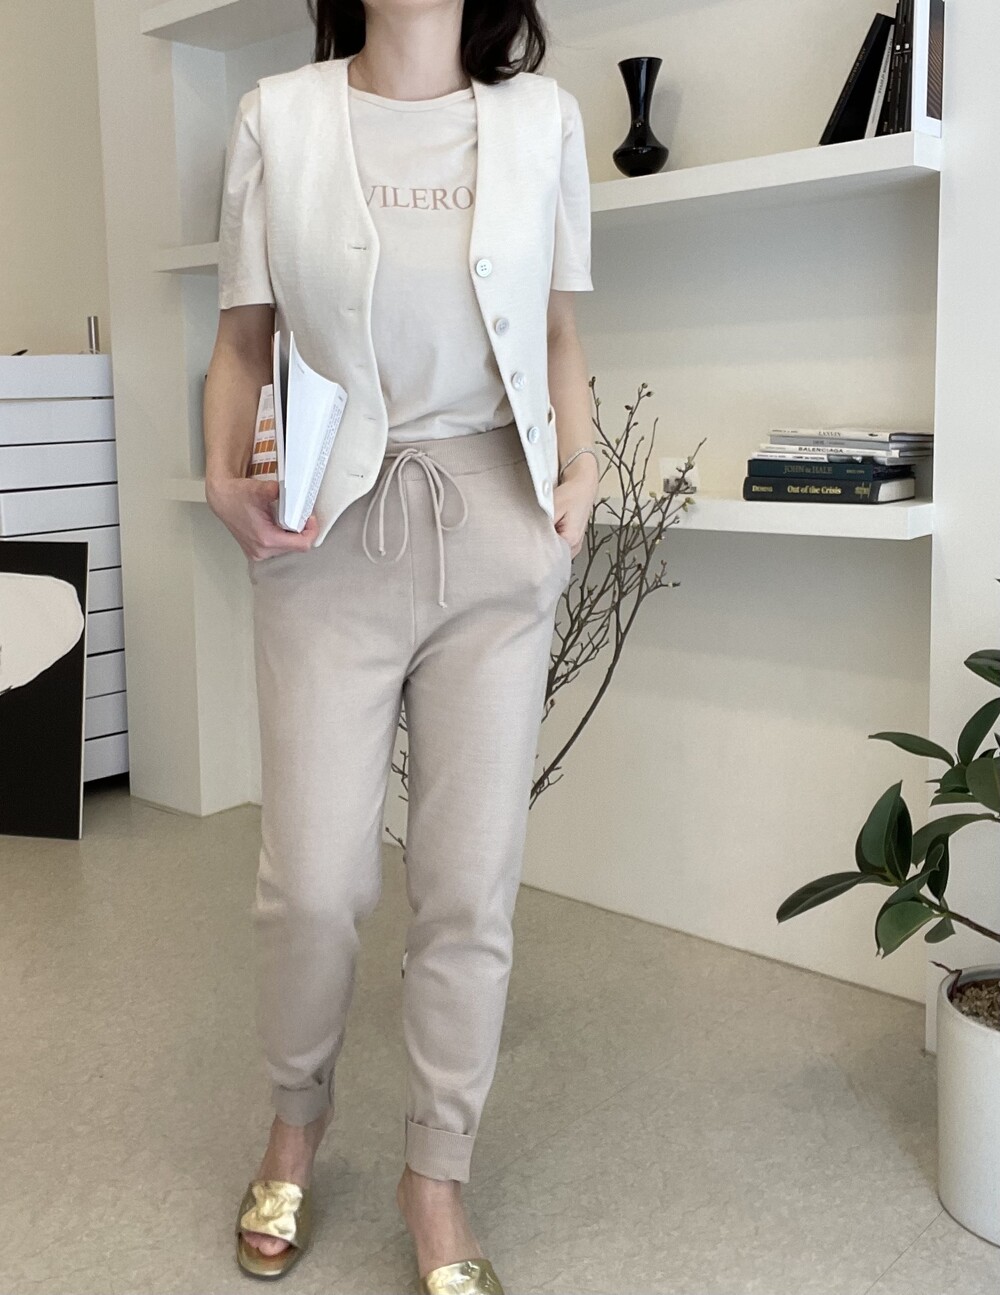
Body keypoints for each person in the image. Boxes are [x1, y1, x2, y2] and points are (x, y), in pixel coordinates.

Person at [203, 0, 597, 1288]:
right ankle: (295, 1119)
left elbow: (558, 332)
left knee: (469, 884)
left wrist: (579, 483)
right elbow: (243, 342)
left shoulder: (543, 123)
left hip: (497, 523)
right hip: (331, 532)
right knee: (314, 883)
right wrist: (220, 472)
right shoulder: (279, 117)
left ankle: (438, 1175)